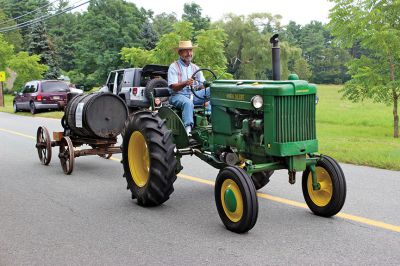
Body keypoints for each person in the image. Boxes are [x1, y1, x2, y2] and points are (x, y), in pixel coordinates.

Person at [168, 40, 210, 136]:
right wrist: (186, 83)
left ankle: (212, 120)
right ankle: (188, 130)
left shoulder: (195, 68)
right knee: (188, 103)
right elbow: (173, 87)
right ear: (180, 53)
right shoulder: (173, 67)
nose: (189, 53)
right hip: (177, 95)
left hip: (193, 95)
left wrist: (207, 86)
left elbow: (202, 84)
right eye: (186, 51)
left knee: (213, 91)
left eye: (190, 50)